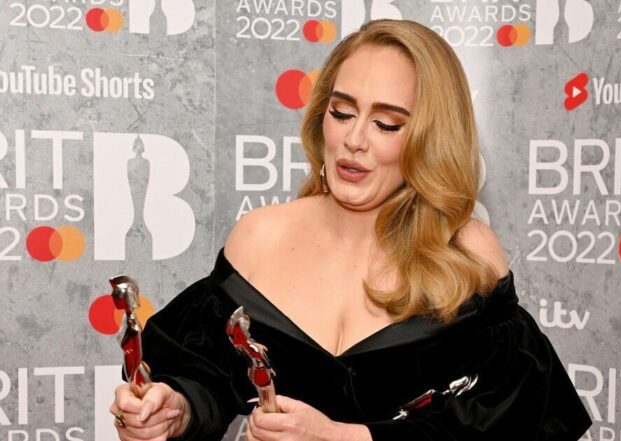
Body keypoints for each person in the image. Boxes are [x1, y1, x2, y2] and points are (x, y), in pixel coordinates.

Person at [110, 19, 592, 441]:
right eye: (342, 112)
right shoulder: (259, 237)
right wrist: (177, 409)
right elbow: (208, 378)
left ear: (431, 136)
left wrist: (348, 438)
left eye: (387, 124)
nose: (354, 140)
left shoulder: (467, 254)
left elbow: (507, 424)